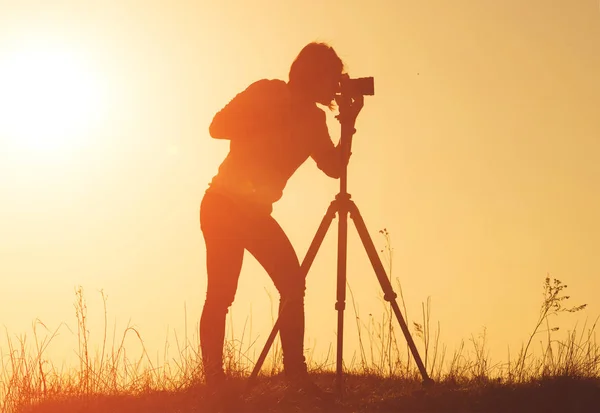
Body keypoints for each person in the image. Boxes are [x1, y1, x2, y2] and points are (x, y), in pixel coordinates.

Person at [199, 42, 362, 399]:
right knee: (222, 293)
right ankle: (214, 379)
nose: (335, 87)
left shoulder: (314, 120)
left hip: (254, 213)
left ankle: (295, 377)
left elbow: (334, 168)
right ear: (312, 74)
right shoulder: (268, 90)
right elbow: (217, 127)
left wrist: (348, 126)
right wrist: (268, 118)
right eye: (331, 78)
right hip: (223, 204)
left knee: (292, 284)